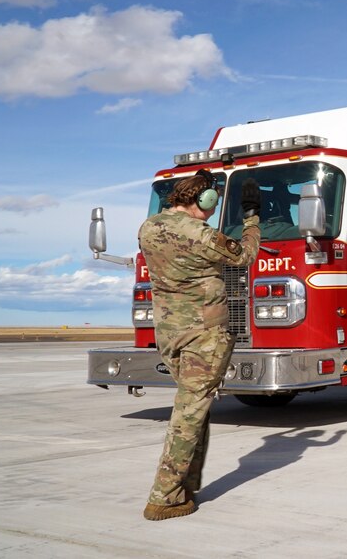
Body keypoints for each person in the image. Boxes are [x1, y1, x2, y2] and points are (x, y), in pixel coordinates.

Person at [138, 169, 261, 521]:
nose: (212, 209)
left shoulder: (148, 228)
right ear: (202, 200)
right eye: (212, 203)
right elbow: (245, 256)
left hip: (169, 333)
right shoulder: (202, 235)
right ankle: (164, 497)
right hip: (203, 335)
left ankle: (185, 488)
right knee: (189, 413)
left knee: (195, 406)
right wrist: (252, 218)